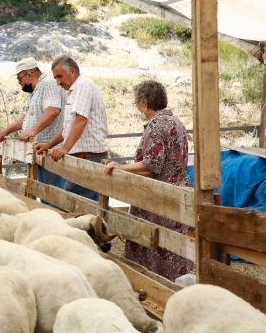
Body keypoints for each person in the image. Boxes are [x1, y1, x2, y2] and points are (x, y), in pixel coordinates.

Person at [103, 80, 193, 281]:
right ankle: (172, 285)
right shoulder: (177, 122)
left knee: (152, 242)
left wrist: (121, 167)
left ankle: (152, 285)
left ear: (144, 103)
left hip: (158, 196)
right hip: (178, 192)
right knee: (173, 244)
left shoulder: (155, 125)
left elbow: (151, 164)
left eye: (137, 103)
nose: (137, 108)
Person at [34, 55, 109, 201]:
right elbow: (69, 126)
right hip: (83, 159)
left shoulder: (82, 86)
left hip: (89, 159)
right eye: (55, 78)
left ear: (72, 71)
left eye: (59, 76)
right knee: (75, 203)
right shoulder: (75, 90)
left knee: (79, 205)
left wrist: (65, 148)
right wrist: (49, 145)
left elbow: (81, 120)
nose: (58, 82)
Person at [0, 57, 67, 190]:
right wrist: (6, 131)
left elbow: (53, 111)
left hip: (52, 153)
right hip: (41, 152)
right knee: (44, 192)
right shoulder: (35, 91)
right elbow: (27, 117)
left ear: (30, 75)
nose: (19, 82)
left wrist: (32, 131)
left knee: (52, 193)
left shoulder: (49, 84)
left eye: (19, 78)